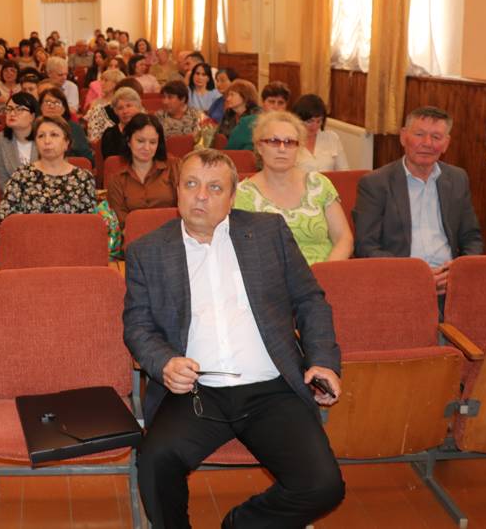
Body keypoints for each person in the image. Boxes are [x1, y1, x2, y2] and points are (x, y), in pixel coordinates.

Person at [124, 148, 345, 529]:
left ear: (232, 196)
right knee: (155, 462)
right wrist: (164, 362)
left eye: (214, 188)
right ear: (177, 190)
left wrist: (322, 360)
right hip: (196, 391)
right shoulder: (148, 251)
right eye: (191, 184)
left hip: (271, 387)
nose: (200, 196)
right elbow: (138, 325)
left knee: (323, 487)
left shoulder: (268, 233)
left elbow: (310, 300)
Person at [353, 106, 483, 307]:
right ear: (403, 136)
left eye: (436, 137)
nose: (427, 143)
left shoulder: (458, 178)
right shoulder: (375, 183)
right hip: (399, 281)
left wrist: (459, 270)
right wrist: (416, 275)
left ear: (446, 143)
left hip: (450, 281)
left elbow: (472, 238)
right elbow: (366, 246)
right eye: (419, 134)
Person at [234, 111, 354, 265]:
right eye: (274, 141)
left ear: (299, 148)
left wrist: (325, 272)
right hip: (273, 275)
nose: (282, 148)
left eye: (289, 142)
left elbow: (344, 238)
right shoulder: (243, 194)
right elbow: (245, 251)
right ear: (260, 147)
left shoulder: (318, 184)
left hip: (325, 272)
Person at [0, 117, 97, 223]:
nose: (47, 141)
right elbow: (4, 218)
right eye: (41, 136)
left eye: (54, 135)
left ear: (67, 143)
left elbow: (89, 223)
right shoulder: (21, 176)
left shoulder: (83, 178)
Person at [106, 113, 180, 227]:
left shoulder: (173, 167)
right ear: (128, 141)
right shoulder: (117, 179)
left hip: (171, 232)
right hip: (134, 234)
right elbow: (121, 222)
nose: (147, 148)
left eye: (153, 142)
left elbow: (184, 207)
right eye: (140, 141)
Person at [0, 92, 40, 189]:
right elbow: (2, 180)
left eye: (19, 109)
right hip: (13, 196)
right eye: (9, 109)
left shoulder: (44, 138)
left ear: (32, 116)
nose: (12, 113)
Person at [292, 94, 349, 172]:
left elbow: (344, 171)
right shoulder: (290, 141)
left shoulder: (332, 138)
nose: (314, 126)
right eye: (309, 121)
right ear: (298, 120)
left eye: (319, 121)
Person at [38, 86, 93, 165]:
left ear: (64, 109)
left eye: (57, 103)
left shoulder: (74, 128)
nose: (52, 106)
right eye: (47, 102)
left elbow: (88, 159)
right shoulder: (34, 127)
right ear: (40, 107)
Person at [101, 87, 144, 159]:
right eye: (120, 108)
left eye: (129, 106)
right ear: (116, 112)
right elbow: (111, 162)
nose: (125, 111)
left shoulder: (149, 130)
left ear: (138, 107)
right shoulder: (110, 135)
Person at [220, 80, 262, 150]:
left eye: (232, 95)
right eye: (228, 95)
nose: (228, 99)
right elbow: (220, 136)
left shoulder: (256, 115)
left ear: (245, 96)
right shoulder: (229, 114)